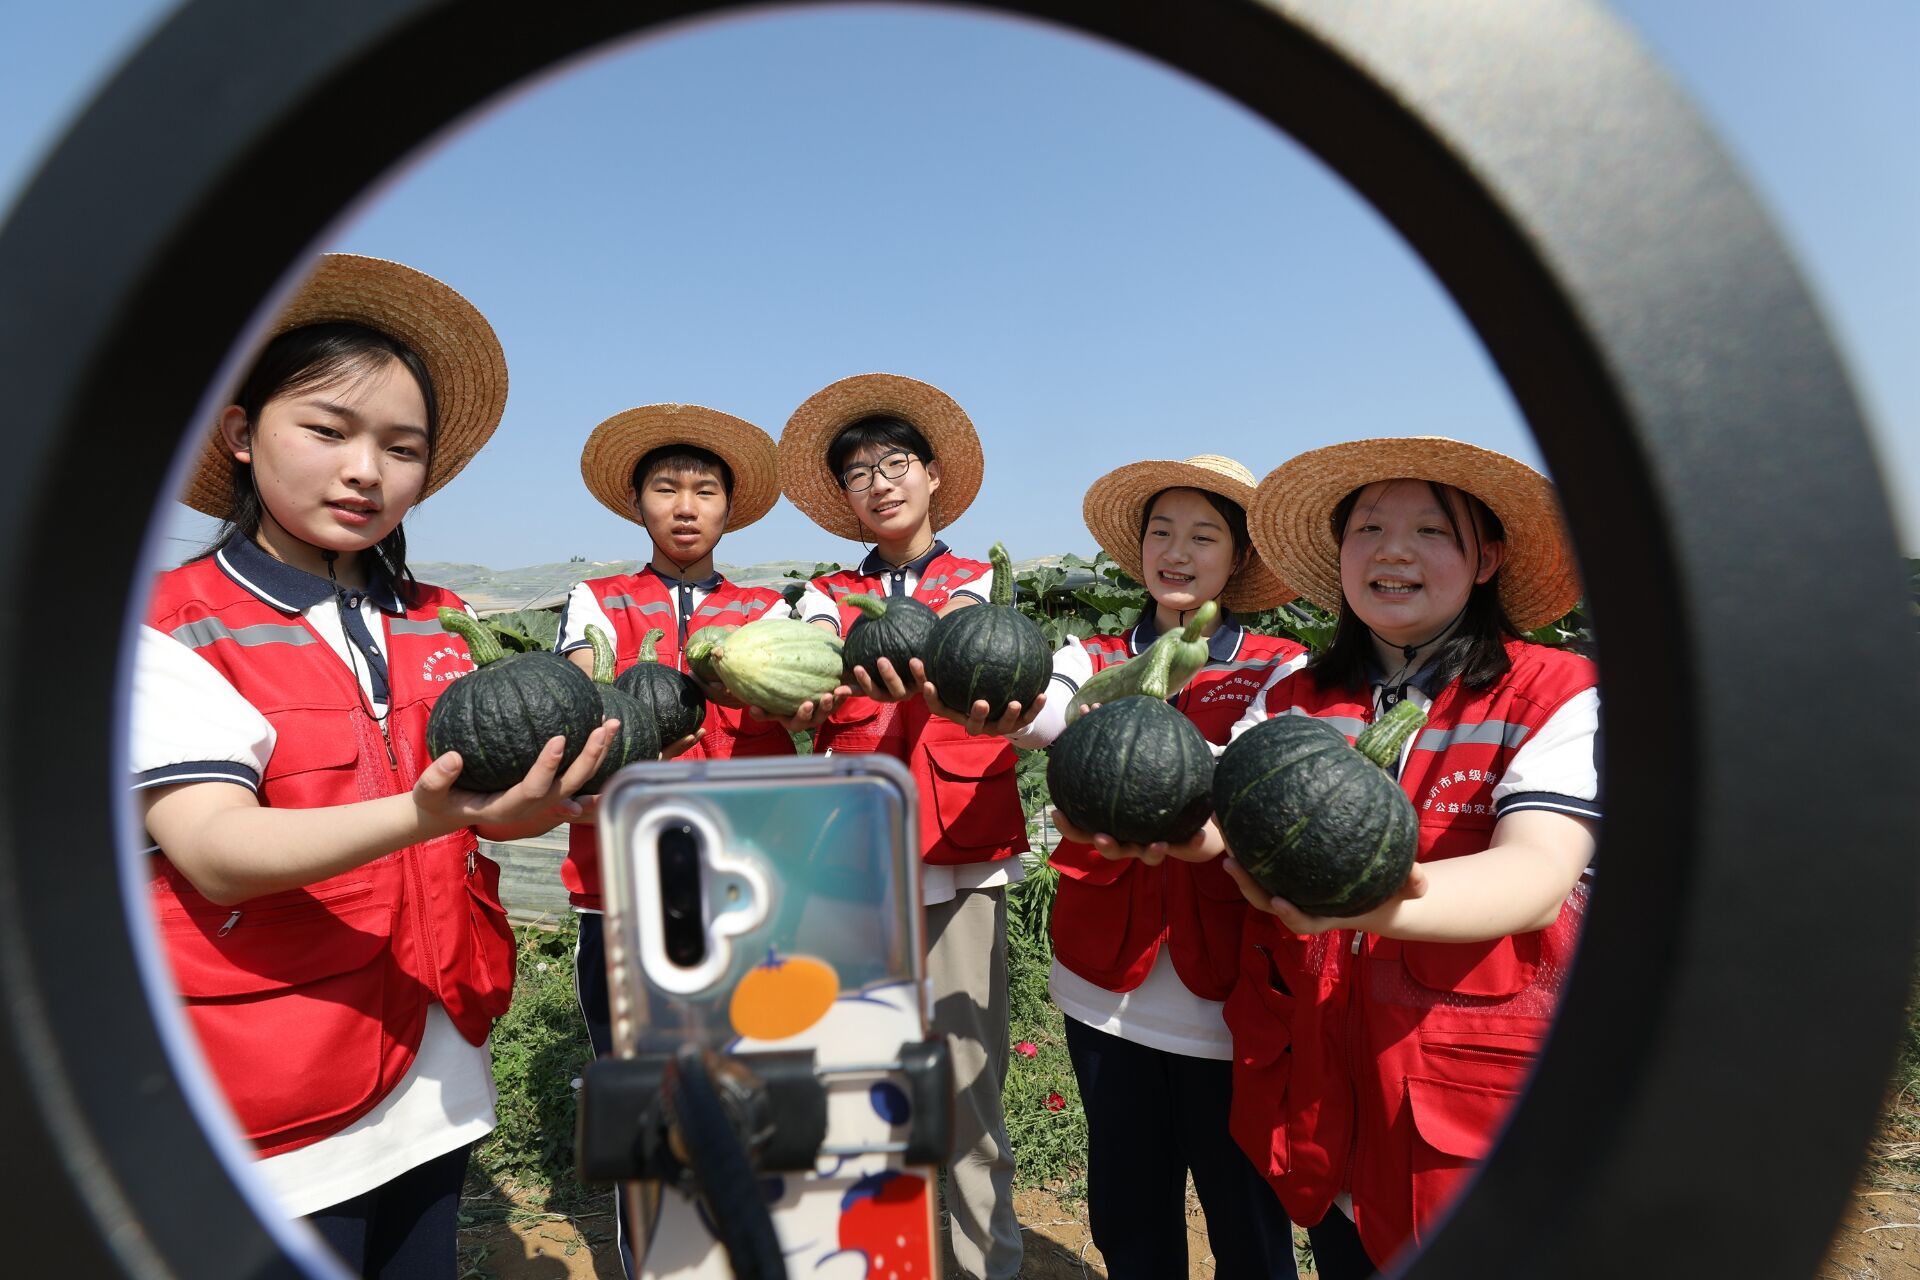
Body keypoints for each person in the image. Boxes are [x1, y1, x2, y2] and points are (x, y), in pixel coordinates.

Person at [134, 254, 615, 1278]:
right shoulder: (171, 624)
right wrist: (431, 812)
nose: (366, 470)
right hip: (273, 1099)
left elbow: (479, 815)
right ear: (240, 433)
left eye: (402, 448)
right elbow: (215, 848)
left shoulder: (441, 620)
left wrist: (531, 810)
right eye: (327, 429)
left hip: (438, 1079)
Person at [1217, 437, 1600, 1275]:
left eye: (1431, 529)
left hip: (1462, 1101)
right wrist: (1164, 826)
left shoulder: (1554, 692)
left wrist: (1362, 902)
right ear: (1341, 553)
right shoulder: (1292, 699)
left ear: (1487, 558)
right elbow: (1227, 818)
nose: (1392, 549)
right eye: (1368, 528)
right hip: (1321, 1097)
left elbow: (1536, 875)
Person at [1019, 455, 1306, 1279]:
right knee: (1129, 1216)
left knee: (1248, 1224)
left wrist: (1137, 744)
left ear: (1238, 559)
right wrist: (1005, 706)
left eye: (1203, 536)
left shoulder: (1278, 667)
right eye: (1161, 532)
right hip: (1104, 989)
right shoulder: (1094, 652)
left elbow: (1253, 768)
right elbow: (1046, 711)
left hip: (1229, 995)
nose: (1177, 552)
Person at [777, 372, 1035, 1280]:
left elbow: (1011, 677)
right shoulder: (816, 601)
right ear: (844, 499)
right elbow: (784, 688)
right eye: (858, 473)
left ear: (932, 477)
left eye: (895, 464)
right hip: (851, 875)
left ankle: (981, 1270)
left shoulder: (982, 589)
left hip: (959, 872)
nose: (879, 482)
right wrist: (795, 693)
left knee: (966, 1100)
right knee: (861, 1096)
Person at [557, 403, 796, 1276]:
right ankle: (653, 1261)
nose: (686, 506)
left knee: (756, 1074)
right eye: (667, 489)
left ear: (731, 509)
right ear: (638, 504)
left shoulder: (767, 607)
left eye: (704, 491)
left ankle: (752, 1250)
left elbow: (803, 697)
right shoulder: (598, 601)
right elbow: (582, 698)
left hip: (745, 877)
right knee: (641, 1089)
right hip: (621, 882)